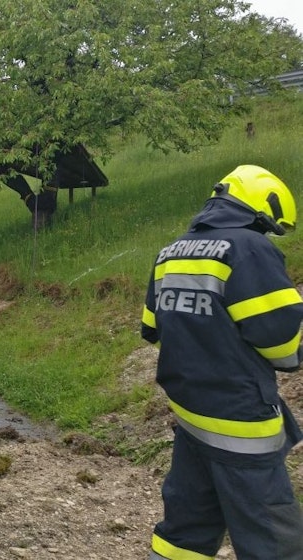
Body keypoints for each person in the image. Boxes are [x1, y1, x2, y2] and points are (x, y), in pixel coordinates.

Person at [140, 164, 303, 559]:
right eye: (268, 226)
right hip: (239, 422)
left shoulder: (171, 252)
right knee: (274, 541)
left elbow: (151, 327)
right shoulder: (250, 248)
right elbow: (283, 347)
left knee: (186, 528)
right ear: (260, 210)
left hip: (192, 417)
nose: (267, 234)